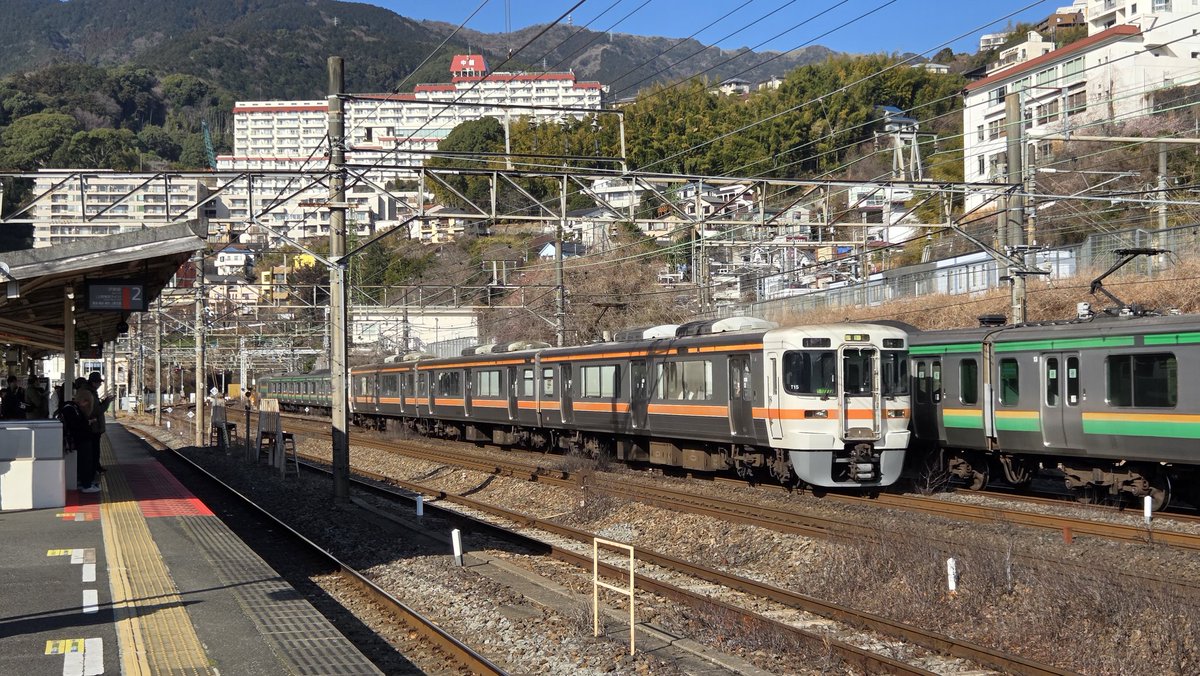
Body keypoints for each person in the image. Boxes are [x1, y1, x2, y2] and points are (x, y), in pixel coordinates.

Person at [59, 393, 98, 493]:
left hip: (78, 439)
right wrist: (88, 423)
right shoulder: (71, 409)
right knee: (85, 461)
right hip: (80, 439)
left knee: (83, 461)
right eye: (87, 403)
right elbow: (76, 425)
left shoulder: (71, 407)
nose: (87, 406)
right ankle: (86, 485)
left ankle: (83, 482)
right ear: (83, 401)